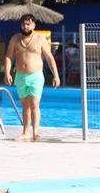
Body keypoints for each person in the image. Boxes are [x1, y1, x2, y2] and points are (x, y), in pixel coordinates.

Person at [4, 14, 60, 142]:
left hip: (35, 76)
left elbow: (49, 58)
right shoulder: (15, 39)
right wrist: (7, 73)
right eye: (24, 23)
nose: (26, 26)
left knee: (34, 104)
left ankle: (36, 132)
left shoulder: (40, 39)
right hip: (20, 76)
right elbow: (9, 56)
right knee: (25, 106)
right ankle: (25, 132)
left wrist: (56, 75)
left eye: (28, 24)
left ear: (33, 25)